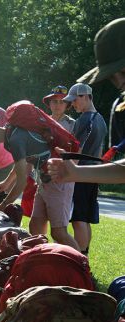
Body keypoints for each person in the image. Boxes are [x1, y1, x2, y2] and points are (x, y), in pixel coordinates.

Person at [48, 18, 125, 186]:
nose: (119, 82)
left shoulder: (88, 120)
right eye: (112, 76)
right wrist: (75, 173)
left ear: (86, 97)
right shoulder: (120, 109)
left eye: (121, 71)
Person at [29, 86, 80, 251]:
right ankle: (42, 259)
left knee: (59, 232)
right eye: (54, 101)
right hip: (42, 179)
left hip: (61, 181)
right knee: (35, 226)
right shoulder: (41, 123)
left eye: (61, 102)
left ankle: (82, 268)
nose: (57, 105)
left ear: (67, 105)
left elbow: (77, 154)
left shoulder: (73, 125)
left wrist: (70, 171)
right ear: (48, 103)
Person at [62, 83, 107, 256]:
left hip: (80, 173)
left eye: (75, 100)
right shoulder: (100, 119)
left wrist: (68, 170)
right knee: (86, 218)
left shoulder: (84, 120)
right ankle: (85, 256)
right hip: (94, 173)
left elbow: (77, 151)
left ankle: (79, 258)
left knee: (78, 218)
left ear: (86, 96)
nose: (73, 104)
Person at [0, 116, 50, 210]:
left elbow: (22, 181)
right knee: (36, 223)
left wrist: (3, 205)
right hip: (46, 177)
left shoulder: (14, 140)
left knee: (57, 222)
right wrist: (6, 182)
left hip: (56, 175)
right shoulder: (10, 132)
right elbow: (21, 164)